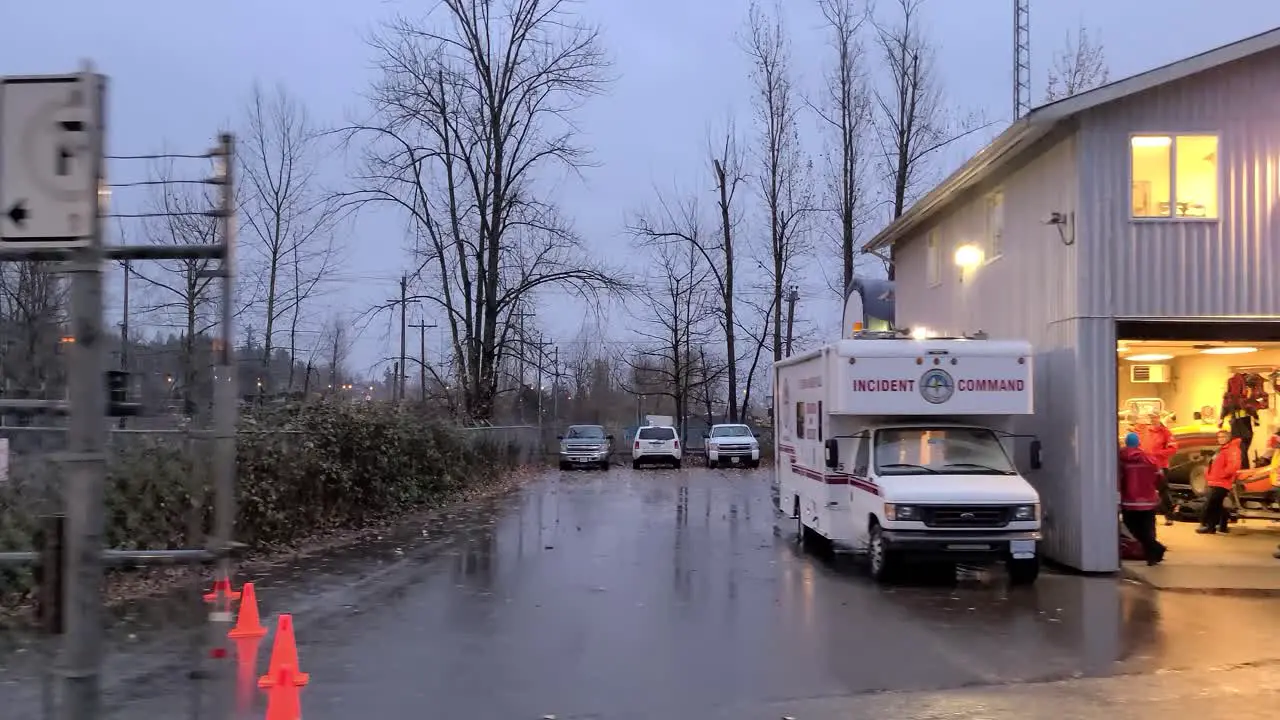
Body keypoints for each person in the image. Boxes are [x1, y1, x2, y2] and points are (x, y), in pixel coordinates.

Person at [1119, 432, 1166, 565]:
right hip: (1149, 501)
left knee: (1133, 529)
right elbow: (1160, 478)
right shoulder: (1149, 458)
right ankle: (1153, 554)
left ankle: (1155, 550)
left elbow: (1118, 479)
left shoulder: (1120, 459)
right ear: (1139, 443)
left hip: (1129, 501)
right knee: (1148, 528)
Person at [1198, 428, 1244, 535]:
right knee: (1217, 505)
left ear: (1229, 437)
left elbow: (1234, 466)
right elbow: (1213, 465)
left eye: (1223, 437)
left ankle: (1209, 526)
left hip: (1222, 482)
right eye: (1219, 437)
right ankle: (1219, 526)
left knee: (1212, 504)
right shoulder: (1222, 449)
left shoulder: (1232, 449)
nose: (1220, 439)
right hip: (1214, 481)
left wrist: (1222, 475)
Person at [1136, 412, 1179, 525]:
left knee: (1163, 491)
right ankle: (1144, 515)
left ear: (1158, 418)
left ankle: (1169, 515)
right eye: (1150, 417)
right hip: (1145, 466)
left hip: (1160, 466)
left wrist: (1156, 454)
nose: (1152, 419)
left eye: (1154, 417)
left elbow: (1173, 448)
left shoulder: (1165, 432)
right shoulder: (1143, 431)